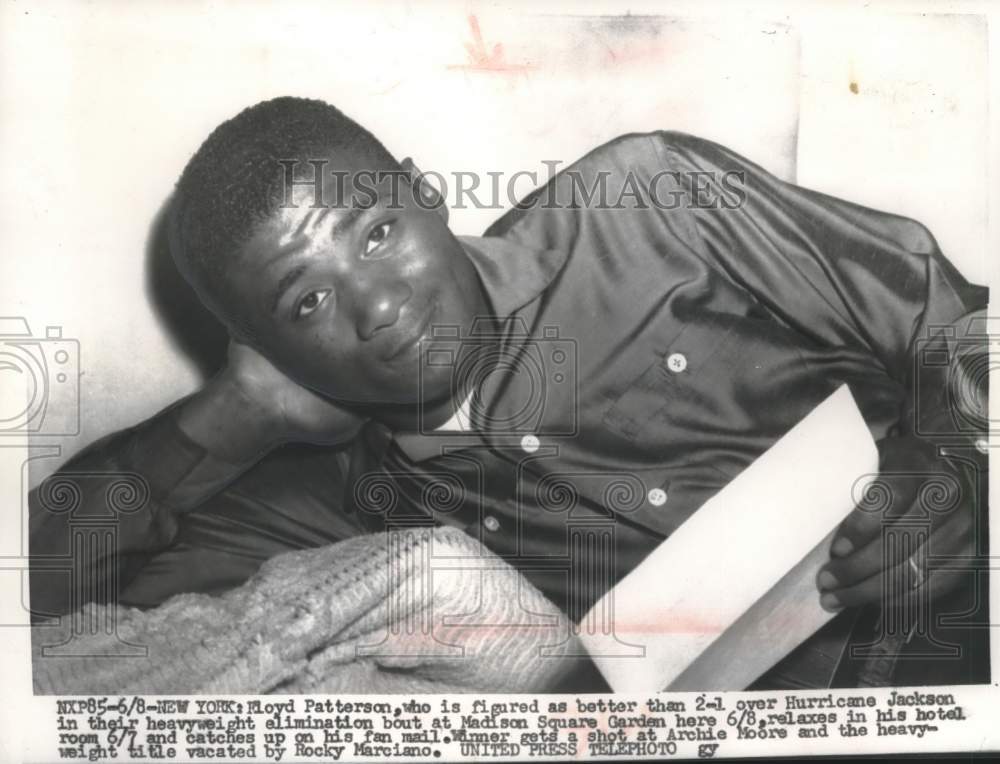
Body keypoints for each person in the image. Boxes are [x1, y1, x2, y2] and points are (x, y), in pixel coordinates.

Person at [29, 97, 988, 688]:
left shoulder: (645, 202)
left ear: (424, 192)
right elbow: (44, 591)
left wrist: (951, 459)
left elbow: (955, 323)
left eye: (375, 233)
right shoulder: (343, 494)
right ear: (261, 346)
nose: (379, 306)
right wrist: (229, 421)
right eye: (309, 299)